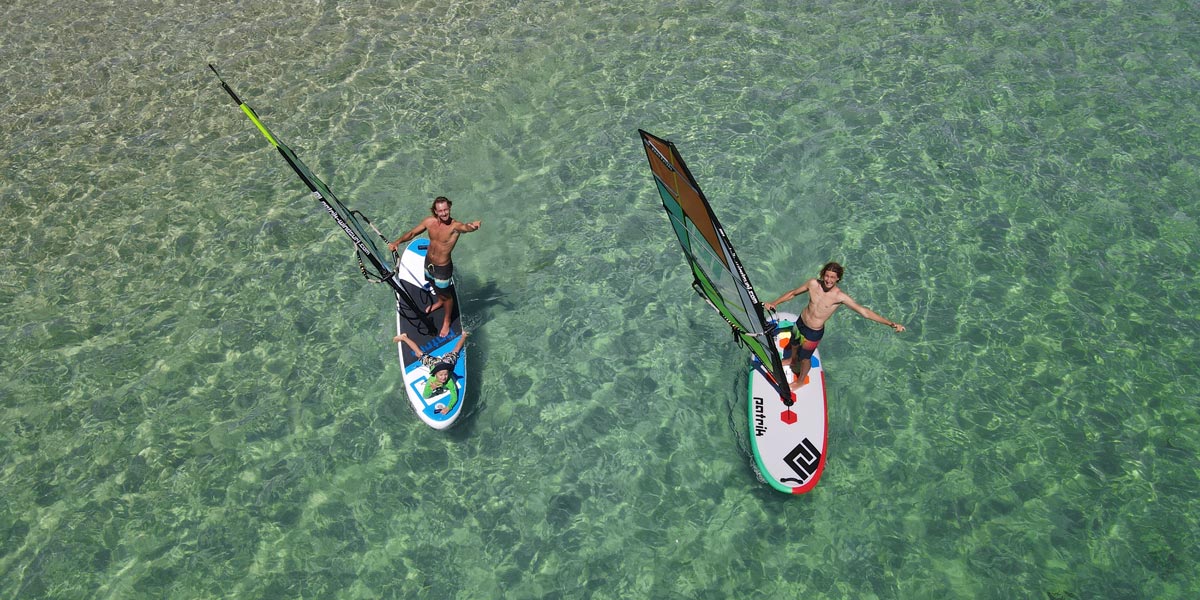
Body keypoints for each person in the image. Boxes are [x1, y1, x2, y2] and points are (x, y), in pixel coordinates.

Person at [763, 262, 905, 390]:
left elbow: (864, 312)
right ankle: (791, 360)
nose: (829, 280)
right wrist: (775, 303)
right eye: (827, 276)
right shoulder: (813, 284)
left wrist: (891, 324)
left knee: (805, 358)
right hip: (801, 322)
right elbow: (793, 293)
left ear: (838, 278)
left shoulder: (840, 297)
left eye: (833, 277)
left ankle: (800, 381)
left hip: (813, 332)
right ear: (823, 274)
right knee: (793, 343)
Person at [388, 196, 481, 338]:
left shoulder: (454, 227)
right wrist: (397, 242)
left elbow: (466, 227)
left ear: (449, 208)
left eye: (446, 210)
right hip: (428, 263)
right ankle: (439, 302)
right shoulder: (429, 222)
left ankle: (447, 319)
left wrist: (473, 226)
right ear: (435, 211)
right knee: (433, 285)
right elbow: (412, 233)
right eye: (441, 211)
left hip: (443, 268)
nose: (444, 213)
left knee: (447, 296)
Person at [394, 331, 468, 413]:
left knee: (456, 351)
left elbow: (454, 397)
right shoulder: (432, 380)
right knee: (419, 353)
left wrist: (448, 408)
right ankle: (404, 337)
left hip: (447, 362)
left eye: (445, 374)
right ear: (435, 374)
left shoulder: (449, 381)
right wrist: (431, 388)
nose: (444, 377)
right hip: (435, 364)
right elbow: (425, 396)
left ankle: (464, 336)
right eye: (441, 375)